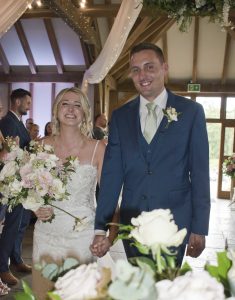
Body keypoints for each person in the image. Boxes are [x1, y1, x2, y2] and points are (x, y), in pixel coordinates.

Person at [91, 42, 210, 265]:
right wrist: (101, 226)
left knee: (165, 286)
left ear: (165, 68)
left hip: (175, 221)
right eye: (135, 70)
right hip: (132, 222)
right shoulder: (120, 117)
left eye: (149, 67)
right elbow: (112, 175)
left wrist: (200, 226)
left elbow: (201, 173)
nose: (142, 75)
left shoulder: (191, 112)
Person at [32, 87, 118, 300]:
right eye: (65, 103)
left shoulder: (99, 148)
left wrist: (109, 236)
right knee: (44, 293)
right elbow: (30, 189)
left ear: (85, 113)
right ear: (56, 110)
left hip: (81, 237)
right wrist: (34, 208)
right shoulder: (40, 146)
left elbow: (110, 198)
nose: (71, 109)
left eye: (77, 105)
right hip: (45, 236)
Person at [0, 88, 32, 285]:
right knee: (10, 225)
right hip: (10, 182)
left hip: (21, 180)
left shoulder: (18, 123)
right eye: (27, 103)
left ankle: (16, 259)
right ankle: (3, 266)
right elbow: (10, 155)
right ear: (17, 102)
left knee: (19, 225)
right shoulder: (7, 123)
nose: (29, 106)